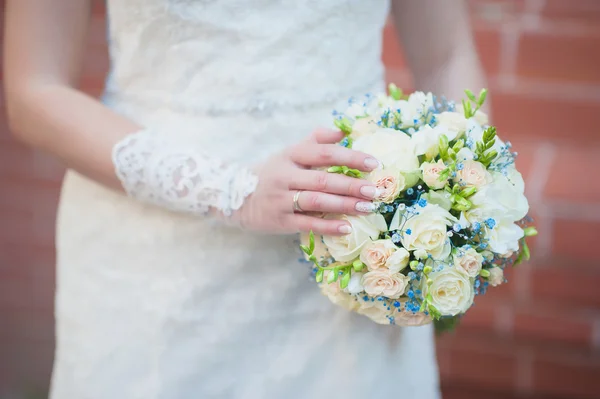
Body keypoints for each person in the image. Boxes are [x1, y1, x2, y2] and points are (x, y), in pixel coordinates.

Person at [4, 0, 486, 398]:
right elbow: (33, 91)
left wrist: (464, 197)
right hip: (154, 260)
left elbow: (446, 56)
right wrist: (232, 191)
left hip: (357, 253)